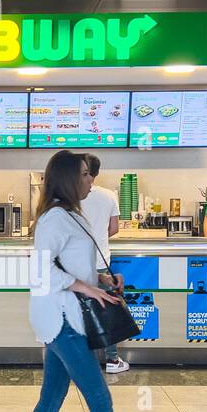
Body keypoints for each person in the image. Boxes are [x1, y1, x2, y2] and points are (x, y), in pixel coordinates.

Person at [17, 150, 176, 412]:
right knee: (100, 397)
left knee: (52, 395)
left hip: (65, 315)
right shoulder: (54, 219)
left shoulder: (73, 215)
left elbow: (72, 266)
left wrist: (101, 278)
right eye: (86, 174)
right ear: (69, 179)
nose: (91, 179)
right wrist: (86, 287)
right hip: (62, 319)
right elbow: (41, 271)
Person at [80, 153, 128, 374]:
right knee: (105, 311)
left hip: (76, 265)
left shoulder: (68, 197)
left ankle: (81, 361)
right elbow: (114, 229)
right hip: (100, 263)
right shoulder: (109, 196)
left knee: (79, 313)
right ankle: (112, 360)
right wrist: (98, 236)